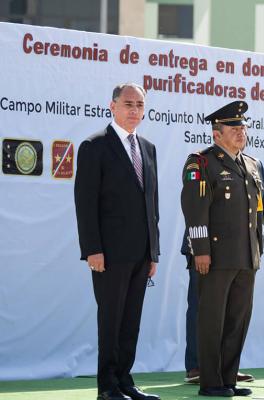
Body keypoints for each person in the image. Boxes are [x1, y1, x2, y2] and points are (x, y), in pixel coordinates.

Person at [74, 83, 161, 400]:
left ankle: (125, 381)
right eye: (128, 103)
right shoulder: (94, 145)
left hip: (141, 253)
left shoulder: (148, 148)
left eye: (140, 104)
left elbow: (152, 203)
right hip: (108, 254)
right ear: (112, 106)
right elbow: (85, 203)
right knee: (110, 320)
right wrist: (92, 249)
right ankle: (107, 387)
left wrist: (154, 252)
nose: (134, 109)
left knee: (131, 322)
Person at [180, 101, 264, 397]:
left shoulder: (252, 164)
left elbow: (260, 211)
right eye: (234, 128)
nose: (242, 131)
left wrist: (258, 248)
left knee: (237, 319)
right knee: (212, 319)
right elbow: (195, 210)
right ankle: (211, 381)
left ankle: (228, 379)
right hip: (213, 257)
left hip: (245, 256)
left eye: (243, 126)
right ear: (217, 134)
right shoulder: (201, 162)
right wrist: (200, 250)